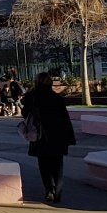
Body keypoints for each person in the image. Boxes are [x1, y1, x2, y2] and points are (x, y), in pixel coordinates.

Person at [21, 72, 76, 203]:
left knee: (44, 164)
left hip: (41, 135)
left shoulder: (33, 97)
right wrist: (70, 137)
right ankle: (57, 191)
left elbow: (25, 114)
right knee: (58, 165)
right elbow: (65, 119)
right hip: (59, 135)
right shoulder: (57, 98)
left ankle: (49, 189)